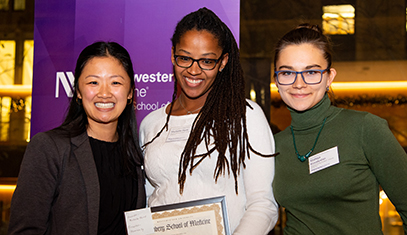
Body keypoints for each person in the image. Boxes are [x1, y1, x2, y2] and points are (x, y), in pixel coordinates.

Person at [139, 7, 278, 235]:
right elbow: (146, 200)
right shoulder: (151, 123)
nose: (194, 70)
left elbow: (263, 205)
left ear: (223, 62)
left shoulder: (245, 116)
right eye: (185, 58)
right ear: (173, 55)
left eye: (207, 61)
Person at [272, 24, 407, 234]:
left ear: (329, 77)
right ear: (277, 79)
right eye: (288, 72)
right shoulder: (273, 146)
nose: (299, 83)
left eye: (311, 72)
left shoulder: (364, 128)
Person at [8, 41, 146, 235]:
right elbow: (25, 229)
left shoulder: (135, 154)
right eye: (93, 82)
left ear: (130, 92)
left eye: (115, 82)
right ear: (78, 92)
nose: (104, 93)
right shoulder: (49, 147)